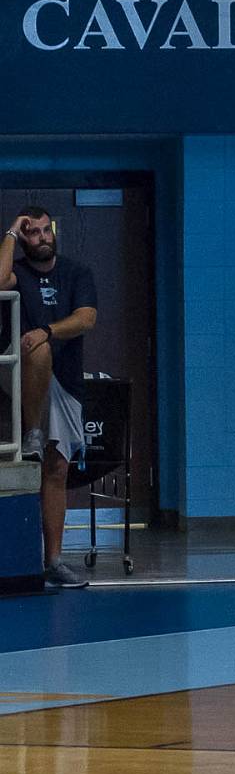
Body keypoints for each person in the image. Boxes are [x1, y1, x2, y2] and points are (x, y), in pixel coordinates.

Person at [0, 207, 97, 590]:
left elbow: (87, 318)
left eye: (45, 230)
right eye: (32, 232)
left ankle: (53, 560)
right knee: (35, 350)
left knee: (56, 469)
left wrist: (48, 331)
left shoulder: (76, 272)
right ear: (24, 239)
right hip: (21, 377)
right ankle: (30, 431)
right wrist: (9, 231)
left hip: (66, 380)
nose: (41, 237)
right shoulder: (18, 272)